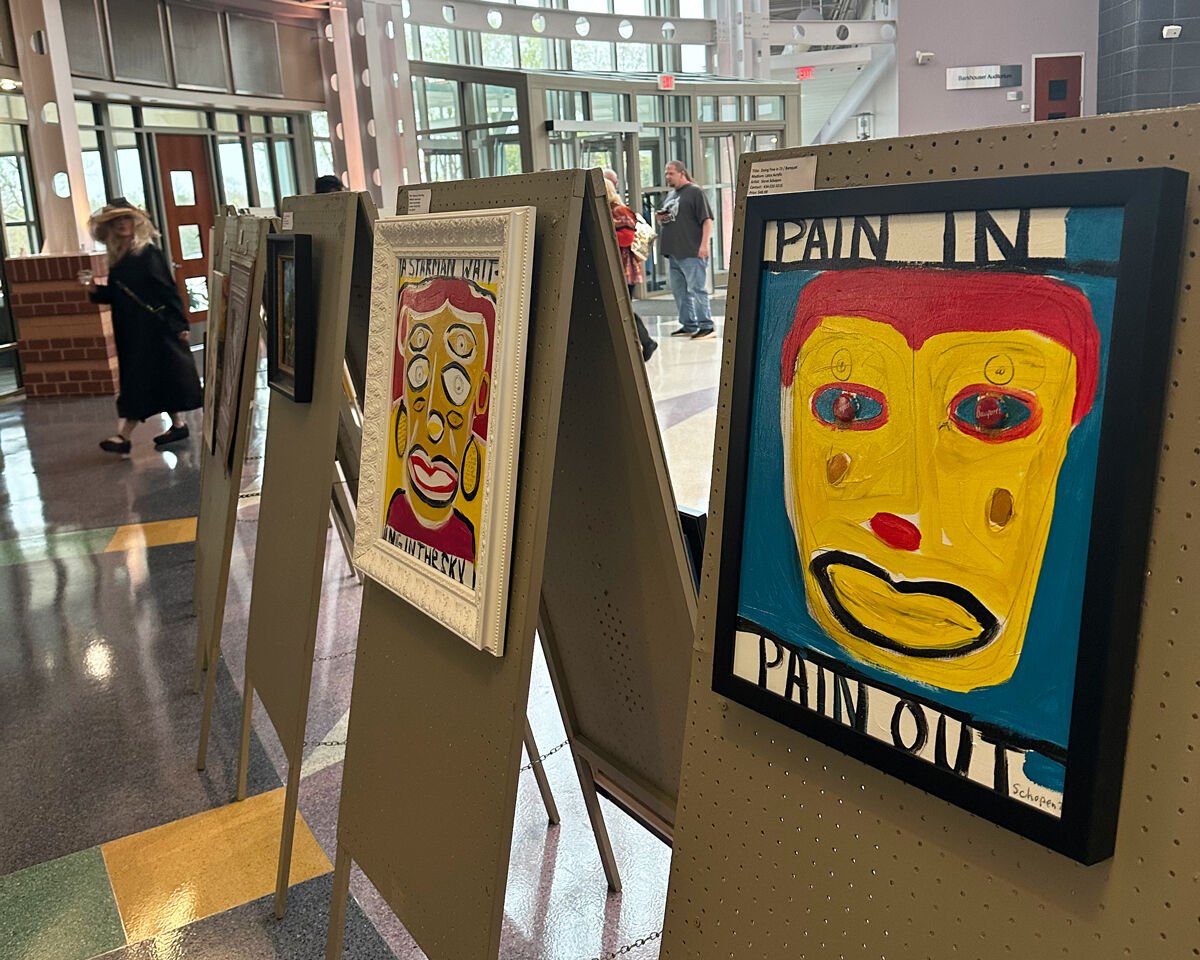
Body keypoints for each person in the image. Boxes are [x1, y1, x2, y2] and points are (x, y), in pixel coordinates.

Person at [86, 199, 202, 454]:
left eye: (126, 219)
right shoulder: (119, 257)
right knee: (161, 377)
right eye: (116, 221)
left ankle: (124, 436)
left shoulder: (148, 254)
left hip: (153, 330)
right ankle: (178, 425)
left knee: (139, 379)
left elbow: (167, 290)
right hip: (133, 330)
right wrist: (96, 292)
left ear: (135, 223)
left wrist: (180, 323)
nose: (122, 224)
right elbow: (120, 296)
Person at [656, 161, 714, 340]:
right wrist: (662, 218)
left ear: (682, 173)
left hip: (691, 251)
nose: (667, 177)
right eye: (666, 173)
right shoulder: (671, 194)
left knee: (697, 289)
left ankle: (706, 325)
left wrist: (704, 245)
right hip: (674, 252)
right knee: (680, 291)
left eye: (671, 173)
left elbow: (707, 220)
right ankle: (688, 324)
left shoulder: (695, 192)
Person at [605, 178, 657, 361]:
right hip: (620, 270)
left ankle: (647, 342)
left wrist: (606, 233)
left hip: (626, 272)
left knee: (624, 311)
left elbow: (627, 237)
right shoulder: (610, 210)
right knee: (622, 311)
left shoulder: (619, 211)